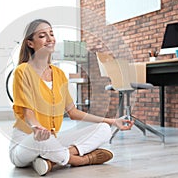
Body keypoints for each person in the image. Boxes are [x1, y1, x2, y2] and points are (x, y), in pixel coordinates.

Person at [9, 19, 134, 176]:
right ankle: (81, 160)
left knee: (103, 129)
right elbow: (28, 113)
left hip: (51, 140)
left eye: (51, 34)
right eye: (42, 36)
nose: (49, 39)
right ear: (30, 43)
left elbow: (73, 112)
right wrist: (36, 127)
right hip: (25, 142)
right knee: (42, 139)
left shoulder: (59, 74)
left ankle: (50, 161)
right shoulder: (22, 71)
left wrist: (112, 121)